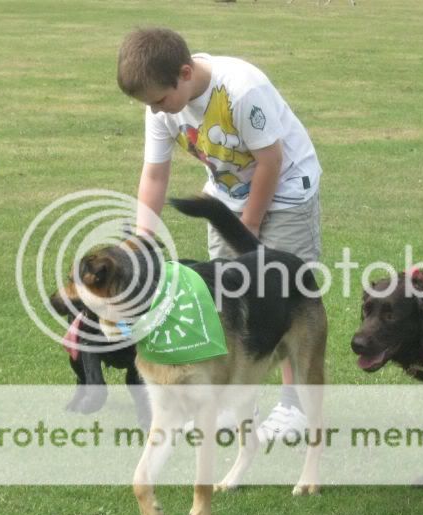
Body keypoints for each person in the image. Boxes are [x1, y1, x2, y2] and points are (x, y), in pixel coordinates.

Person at [117, 27, 321, 441]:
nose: (157, 112)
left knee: (283, 300)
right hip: (228, 195)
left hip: (285, 192)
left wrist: (247, 228)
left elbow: (270, 161)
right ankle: (231, 404)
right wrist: (141, 239)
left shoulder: (241, 91)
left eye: (160, 101)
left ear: (186, 73)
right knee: (222, 308)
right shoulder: (161, 107)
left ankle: (293, 406)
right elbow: (155, 173)